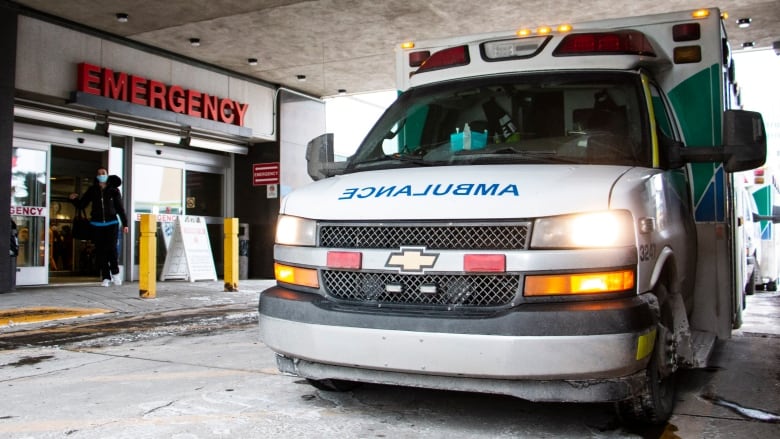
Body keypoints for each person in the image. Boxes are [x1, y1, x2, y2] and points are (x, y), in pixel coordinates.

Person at [69, 167, 128, 287]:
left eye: (103, 173)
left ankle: (115, 274)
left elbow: (120, 208)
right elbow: (82, 205)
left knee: (111, 249)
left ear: (107, 175)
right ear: (97, 176)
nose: (101, 175)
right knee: (101, 251)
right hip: (97, 225)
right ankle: (106, 277)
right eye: (99, 174)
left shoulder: (114, 190)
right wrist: (73, 200)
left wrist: (125, 224)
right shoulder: (92, 190)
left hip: (112, 224)